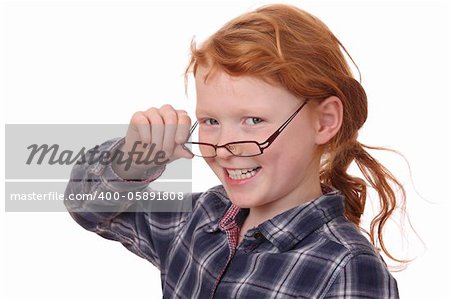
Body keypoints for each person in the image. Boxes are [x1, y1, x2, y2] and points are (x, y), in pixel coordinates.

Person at [64, 4, 404, 298]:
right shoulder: (198, 219)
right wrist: (133, 159)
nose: (225, 148)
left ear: (324, 122)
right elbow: (86, 206)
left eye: (253, 120)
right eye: (210, 120)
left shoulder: (346, 268)